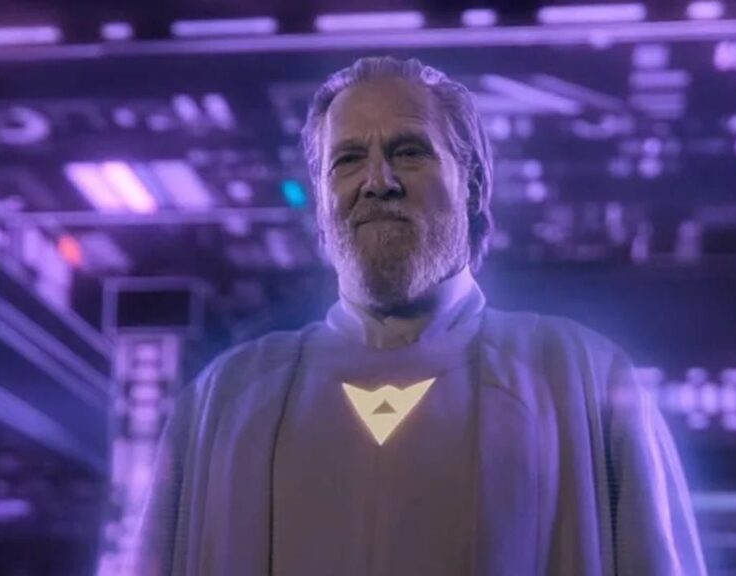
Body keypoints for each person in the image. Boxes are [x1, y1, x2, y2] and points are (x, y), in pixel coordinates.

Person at [131, 56, 706, 576]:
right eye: (348, 160)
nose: (377, 182)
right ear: (321, 199)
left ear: (472, 183)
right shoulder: (224, 401)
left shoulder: (583, 381)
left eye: (408, 151)